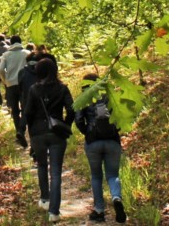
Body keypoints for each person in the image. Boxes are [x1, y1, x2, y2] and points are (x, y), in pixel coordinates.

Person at [21, 58, 74, 223]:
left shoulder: (34, 89)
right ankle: (54, 212)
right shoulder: (62, 88)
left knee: (42, 166)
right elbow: (72, 109)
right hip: (57, 133)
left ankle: (45, 199)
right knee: (56, 171)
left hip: (38, 133)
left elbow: (27, 112)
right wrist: (65, 124)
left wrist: (22, 130)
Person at [75, 74, 127, 224]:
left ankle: (99, 210)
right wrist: (115, 130)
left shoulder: (84, 98)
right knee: (112, 174)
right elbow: (120, 115)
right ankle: (116, 197)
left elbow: (78, 120)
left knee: (96, 176)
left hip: (93, 142)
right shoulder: (109, 94)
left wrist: (88, 132)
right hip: (112, 140)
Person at [0, 34, 30, 146]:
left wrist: (5, 80)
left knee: (15, 109)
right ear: (21, 42)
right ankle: (22, 129)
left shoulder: (6, 55)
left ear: (10, 43)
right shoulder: (27, 53)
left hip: (11, 85)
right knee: (25, 108)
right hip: (24, 84)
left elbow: (0, 70)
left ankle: (18, 131)